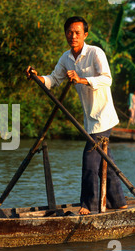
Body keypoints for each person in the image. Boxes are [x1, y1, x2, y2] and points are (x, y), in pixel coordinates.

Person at [25, 16, 127, 215]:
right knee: (105, 161)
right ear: (66, 34)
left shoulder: (95, 53)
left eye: (77, 33)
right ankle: (120, 202)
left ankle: (88, 206)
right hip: (89, 119)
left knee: (90, 160)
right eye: (70, 32)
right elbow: (53, 80)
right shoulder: (66, 58)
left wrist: (81, 80)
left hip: (104, 116)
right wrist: (37, 77)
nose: (73, 36)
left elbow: (107, 79)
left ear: (85, 35)